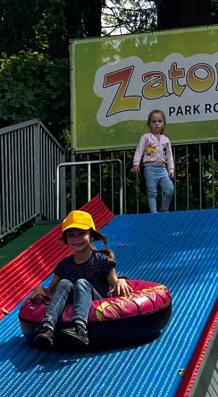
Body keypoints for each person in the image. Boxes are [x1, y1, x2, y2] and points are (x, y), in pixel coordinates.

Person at [30, 210, 131, 349]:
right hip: (72, 302)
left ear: (91, 236)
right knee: (64, 283)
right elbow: (50, 291)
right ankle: (47, 327)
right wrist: (39, 290)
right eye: (71, 235)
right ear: (66, 239)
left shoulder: (102, 261)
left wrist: (121, 280)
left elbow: (115, 287)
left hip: (97, 303)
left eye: (81, 234)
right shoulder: (65, 264)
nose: (76, 239)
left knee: (81, 283)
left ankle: (79, 328)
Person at [132, 109, 175, 213]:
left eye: (159, 121)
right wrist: (136, 163)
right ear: (149, 124)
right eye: (153, 121)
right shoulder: (146, 137)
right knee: (152, 193)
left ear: (163, 124)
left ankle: (164, 209)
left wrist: (171, 169)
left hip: (163, 170)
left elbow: (169, 155)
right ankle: (154, 214)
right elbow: (139, 151)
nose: (156, 124)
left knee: (170, 189)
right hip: (149, 169)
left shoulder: (166, 139)